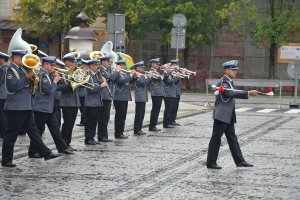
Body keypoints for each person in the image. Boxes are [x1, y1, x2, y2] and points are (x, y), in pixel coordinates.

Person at [1, 50, 60, 167]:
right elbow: (12, 88)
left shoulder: (22, 70)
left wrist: (34, 80)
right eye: (22, 58)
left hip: (26, 106)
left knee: (34, 132)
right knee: (11, 134)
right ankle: (6, 160)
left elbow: (30, 89)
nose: (25, 61)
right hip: (15, 107)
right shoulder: (9, 70)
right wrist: (27, 77)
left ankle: (46, 153)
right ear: (16, 58)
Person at [206, 60, 257, 169]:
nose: (235, 72)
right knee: (216, 138)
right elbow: (230, 93)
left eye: (235, 70)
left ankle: (240, 161)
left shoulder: (229, 81)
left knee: (232, 138)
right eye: (233, 70)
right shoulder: (224, 82)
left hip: (227, 115)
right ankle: (211, 162)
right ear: (227, 70)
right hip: (222, 115)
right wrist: (248, 93)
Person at [29, 56, 74, 157]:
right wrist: (55, 81)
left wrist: (69, 86)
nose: (52, 67)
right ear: (45, 64)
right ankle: (32, 151)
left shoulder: (48, 75)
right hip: (41, 108)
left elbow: (55, 88)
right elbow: (47, 90)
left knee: (55, 129)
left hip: (49, 107)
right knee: (39, 130)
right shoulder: (42, 75)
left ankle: (62, 148)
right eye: (50, 65)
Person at [59, 53, 80, 150]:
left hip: (75, 101)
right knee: (67, 124)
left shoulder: (74, 72)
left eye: (74, 62)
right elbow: (59, 87)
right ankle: (64, 144)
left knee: (71, 124)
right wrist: (71, 85)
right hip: (66, 101)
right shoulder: (62, 73)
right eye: (71, 62)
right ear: (66, 62)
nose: (73, 64)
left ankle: (68, 143)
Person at [84, 59, 108, 145]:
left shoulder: (96, 75)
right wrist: (101, 85)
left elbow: (97, 86)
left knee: (94, 121)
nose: (97, 67)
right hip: (91, 102)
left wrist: (102, 83)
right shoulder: (88, 75)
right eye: (96, 65)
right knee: (90, 121)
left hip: (97, 101)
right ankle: (88, 138)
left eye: (97, 65)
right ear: (91, 66)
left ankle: (92, 137)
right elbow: (90, 89)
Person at [97, 55, 118, 141]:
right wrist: (116, 72)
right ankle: (102, 136)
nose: (109, 63)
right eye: (107, 61)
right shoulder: (101, 70)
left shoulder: (107, 70)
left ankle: (104, 135)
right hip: (104, 96)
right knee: (103, 117)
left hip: (108, 96)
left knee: (106, 117)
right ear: (102, 62)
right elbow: (111, 79)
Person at [113, 59, 134, 139]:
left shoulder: (124, 73)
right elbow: (122, 81)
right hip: (119, 98)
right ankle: (118, 133)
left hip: (125, 97)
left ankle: (121, 132)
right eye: (123, 65)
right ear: (119, 66)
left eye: (124, 65)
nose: (124, 67)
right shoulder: (117, 74)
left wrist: (134, 77)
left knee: (123, 116)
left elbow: (130, 81)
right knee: (119, 116)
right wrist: (131, 75)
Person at [133, 61, 153, 135]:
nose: (142, 69)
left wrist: (148, 77)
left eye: (143, 67)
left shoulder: (141, 75)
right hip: (139, 97)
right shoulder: (137, 75)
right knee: (139, 114)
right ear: (137, 68)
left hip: (143, 96)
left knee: (142, 114)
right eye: (141, 67)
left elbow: (146, 83)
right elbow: (144, 83)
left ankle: (139, 128)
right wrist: (149, 77)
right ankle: (137, 129)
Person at [162, 63, 180, 128]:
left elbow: (175, 82)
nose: (171, 69)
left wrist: (177, 77)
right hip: (168, 94)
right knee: (168, 110)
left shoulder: (169, 74)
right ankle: (166, 124)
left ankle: (169, 122)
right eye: (169, 68)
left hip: (172, 94)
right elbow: (170, 82)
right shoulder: (165, 75)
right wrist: (176, 77)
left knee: (170, 109)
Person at [148, 58, 164, 132]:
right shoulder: (152, 71)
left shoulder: (155, 71)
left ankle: (154, 125)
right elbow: (161, 78)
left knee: (157, 110)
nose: (158, 65)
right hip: (156, 93)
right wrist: (166, 72)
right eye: (157, 64)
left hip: (159, 93)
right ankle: (152, 126)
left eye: (158, 64)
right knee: (155, 110)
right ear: (153, 64)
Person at [0, 52, 9, 138]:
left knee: (1, 115)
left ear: (2, 60)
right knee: (5, 114)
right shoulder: (9, 68)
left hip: (1, 95)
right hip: (7, 94)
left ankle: (3, 132)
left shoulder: (2, 69)